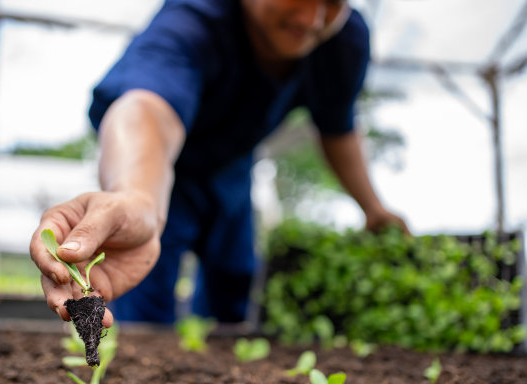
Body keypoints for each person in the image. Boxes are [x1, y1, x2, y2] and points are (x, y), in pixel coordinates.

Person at [30, 0, 409, 328]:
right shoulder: (194, 20)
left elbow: (337, 126)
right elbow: (147, 109)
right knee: (142, 296)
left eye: (332, 3)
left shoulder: (343, 42)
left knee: (233, 286)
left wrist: (373, 209)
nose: (312, 19)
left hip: (231, 168)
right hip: (160, 171)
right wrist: (137, 198)